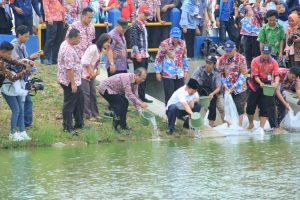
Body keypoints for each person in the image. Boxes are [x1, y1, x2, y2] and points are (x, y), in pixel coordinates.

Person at [11, 25, 42, 128]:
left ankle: (26, 123)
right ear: (19, 35)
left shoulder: (22, 45)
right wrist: (30, 58)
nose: (27, 39)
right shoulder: (13, 46)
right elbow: (16, 63)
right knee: (21, 102)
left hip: (24, 76)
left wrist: (32, 59)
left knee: (28, 100)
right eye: (25, 36)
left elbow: (26, 61)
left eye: (28, 36)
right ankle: (20, 124)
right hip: (16, 77)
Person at [0, 41, 32, 141]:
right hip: (6, 88)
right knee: (16, 109)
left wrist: (23, 62)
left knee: (21, 109)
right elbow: (13, 77)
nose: (10, 56)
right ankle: (12, 133)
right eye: (9, 54)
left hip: (11, 87)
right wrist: (25, 70)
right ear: (2, 52)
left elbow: (13, 61)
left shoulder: (4, 57)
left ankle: (22, 132)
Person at [246, 44, 280, 133]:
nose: (265, 55)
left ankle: (261, 128)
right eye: (264, 53)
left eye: (267, 53)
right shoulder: (255, 61)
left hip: (267, 85)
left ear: (270, 53)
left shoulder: (274, 62)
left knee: (265, 107)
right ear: (261, 52)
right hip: (255, 84)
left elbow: (276, 74)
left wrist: (276, 82)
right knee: (250, 107)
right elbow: (255, 75)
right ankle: (251, 124)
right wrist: (260, 83)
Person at [57, 28, 84, 135]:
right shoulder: (67, 49)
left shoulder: (66, 43)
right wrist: (72, 83)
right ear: (72, 38)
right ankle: (67, 127)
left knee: (80, 100)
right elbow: (69, 69)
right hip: (69, 81)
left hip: (75, 79)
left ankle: (79, 123)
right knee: (69, 104)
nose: (80, 39)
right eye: (78, 37)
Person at [81, 33, 111, 121]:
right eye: (107, 42)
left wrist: (97, 70)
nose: (108, 44)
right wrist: (91, 72)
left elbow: (96, 62)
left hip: (91, 75)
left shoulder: (100, 50)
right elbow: (85, 61)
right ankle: (87, 114)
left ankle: (95, 113)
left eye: (109, 43)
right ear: (102, 40)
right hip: (84, 75)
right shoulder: (93, 48)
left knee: (93, 93)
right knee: (86, 94)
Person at [155, 27, 188, 105]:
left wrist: (186, 70)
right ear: (170, 35)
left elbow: (184, 57)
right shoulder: (164, 44)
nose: (176, 39)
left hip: (179, 73)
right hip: (168, 74)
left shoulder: (183, 43)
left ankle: (180, 115)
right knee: (169, 95)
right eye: (174, 37)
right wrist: (157, 72)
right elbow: (158, 58)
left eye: (177, 37)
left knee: (180, 96)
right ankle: (169, 114)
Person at [218, 40, 248, 127]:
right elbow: (221, 73)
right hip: (227, 88)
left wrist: (235, 85)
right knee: (228, 108)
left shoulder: (241, 58)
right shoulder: (222, 59)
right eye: (226, 51)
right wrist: (225, 85)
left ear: (234, 49)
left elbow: (244, 74)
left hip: (240, 88)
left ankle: (239, 126)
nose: (228, 53)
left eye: (230, 51)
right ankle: (229, 126)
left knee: (240, 107)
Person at [192, 55, 223, 127]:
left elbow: (218, 87)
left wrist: (212, 94)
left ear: (214, 65)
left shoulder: (217, 73)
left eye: (210, 63)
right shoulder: (200, 69)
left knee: (212, 108)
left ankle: (211, 125)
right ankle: (192, 122)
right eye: (207, 62)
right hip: (199, 89)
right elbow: (192, 79)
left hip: (212, 91)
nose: (207, 65)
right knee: (195, 105)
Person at [130, 4, 153, 103]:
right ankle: (137, 96)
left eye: (147, 14)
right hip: (139, 55)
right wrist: (137, 53)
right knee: (138, 76)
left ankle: (141, 95)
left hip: (144, 54)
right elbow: (133, 41)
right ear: (139, 13)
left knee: (143, 77)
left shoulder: (142, 24)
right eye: (145, 14)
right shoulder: (135, 25)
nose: (146, 16)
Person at [239, 0, 263, 69]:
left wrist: (257, 7)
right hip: (246, 32)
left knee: (256, 51)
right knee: (247, 50)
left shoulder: (260, 8)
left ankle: (256, 66)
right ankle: (248, 66)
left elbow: (262, 16)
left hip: (256, 33)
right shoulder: (247, 6)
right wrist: (245, 4)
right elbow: (241, 9)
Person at [42, 0, 65, 65]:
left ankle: (55, 59)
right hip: (51, 19)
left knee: (59, 39)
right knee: (50, 39)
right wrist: (48, 17)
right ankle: (45, 58)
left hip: (60, 19)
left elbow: (61, 6)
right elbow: (45, 4)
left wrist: (64, 17)